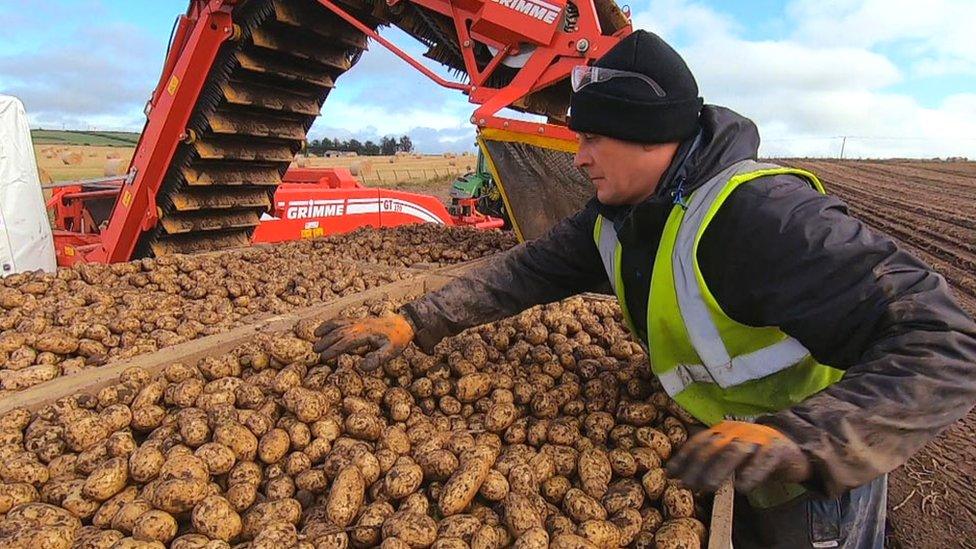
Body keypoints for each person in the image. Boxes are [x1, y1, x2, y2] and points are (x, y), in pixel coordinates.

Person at [313, 30, 976, 548]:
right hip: (712, 450)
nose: (579, 157)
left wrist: (802, 440)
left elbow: (945, 340)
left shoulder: (763, 218)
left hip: (809, 481)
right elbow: (526, 271)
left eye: (594, 137)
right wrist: (415, 319)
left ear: (650, 133)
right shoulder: (617, 218)